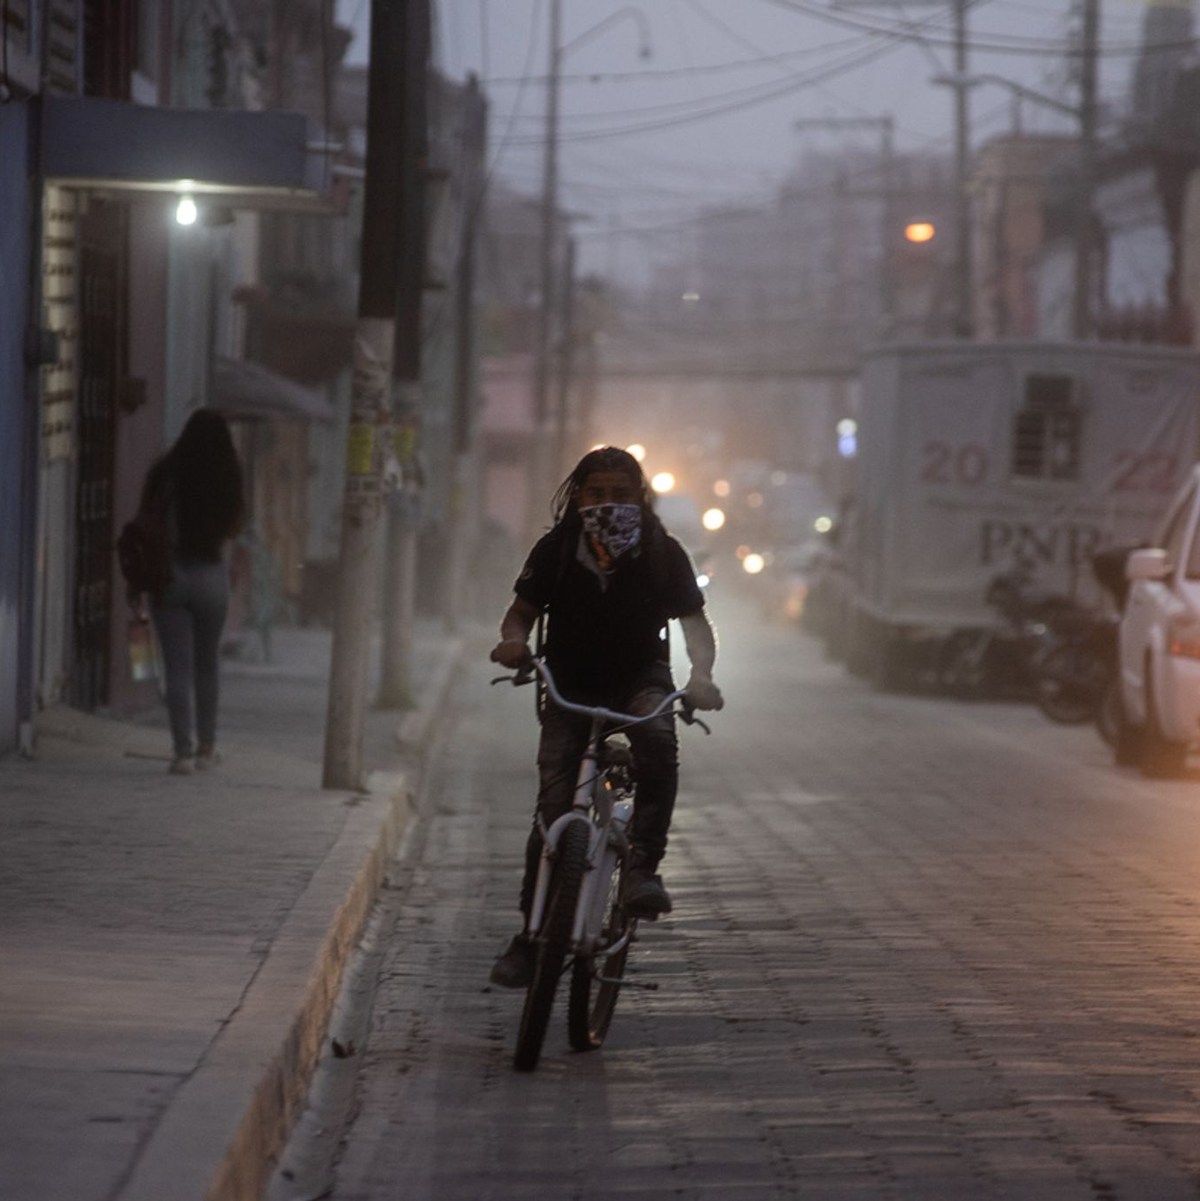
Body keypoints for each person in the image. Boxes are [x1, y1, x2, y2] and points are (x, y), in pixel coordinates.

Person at [488, 446, 724, 989]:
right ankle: (530, 937)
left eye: (621, 494)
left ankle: (642, 870)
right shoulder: (555, 549)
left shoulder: (663, 552)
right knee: (552, 814)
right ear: (577, 497)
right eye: (596, 494)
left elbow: (695, 625)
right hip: (568, 685)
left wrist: (702, 675)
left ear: (640, 498)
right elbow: (520, 614)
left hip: (641, 681)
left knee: (659, 746)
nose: (608, 504)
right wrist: (513, 643)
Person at [130, 409, 245, 775]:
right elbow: (235, 527)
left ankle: (182, 753)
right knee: (207, 666)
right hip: (212, 576)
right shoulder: (228, 477)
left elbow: (145, 524)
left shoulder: (164, 474)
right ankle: (207, 749)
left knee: (177, 668)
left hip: (171, 575)